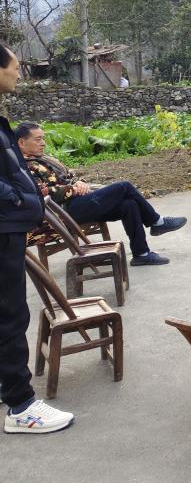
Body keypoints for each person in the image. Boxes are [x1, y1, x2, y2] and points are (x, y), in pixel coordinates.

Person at [0, 43, 74, 434]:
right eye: (14, 67)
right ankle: (21, 407)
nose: (18, 73)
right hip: (5, 227)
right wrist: (21, 198)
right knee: (11, 316)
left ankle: (6, 386)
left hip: (10, 224)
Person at [16, 122, 186, 266]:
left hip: (77, 203)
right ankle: (157, 222)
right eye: (38, 139)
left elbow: (69, 175)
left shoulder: (44, 158)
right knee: (124, 187)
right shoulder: (22, 167)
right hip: (62, 213)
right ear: (22, 142)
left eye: (43, 138)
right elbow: (43, 195)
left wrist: (78, 182)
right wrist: (73, 189)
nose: (43, 143)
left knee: (129, 204)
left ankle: (141, 255)